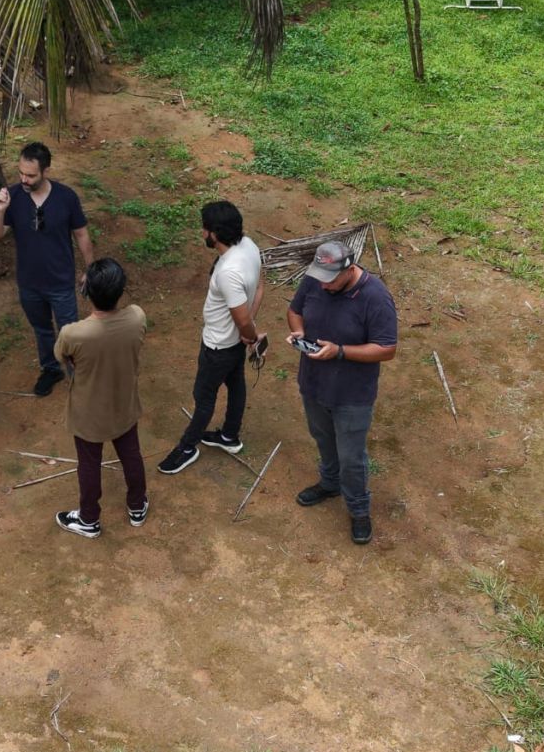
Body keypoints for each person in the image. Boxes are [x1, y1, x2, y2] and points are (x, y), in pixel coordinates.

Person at [287, 240, 398, 545]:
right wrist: (298, 332)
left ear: (349, 270)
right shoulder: (316, 278)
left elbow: (387, 348)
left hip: (351, 395)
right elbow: (295, 311)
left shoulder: (375, 297)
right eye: (320, 278)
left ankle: (359, 510)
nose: (322, 286)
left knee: (351, 456)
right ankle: (329, 483)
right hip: (313, 383)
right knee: (322, 438)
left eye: (330, 280)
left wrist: (339, 352)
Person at [159, 200, 264, 474]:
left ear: (214, 234)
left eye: (204, 229)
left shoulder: (228, 271)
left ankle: (187, 447)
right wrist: (248, 333)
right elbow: (260, 285)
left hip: (218, 347)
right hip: (233, 345)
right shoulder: (249, 246)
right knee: (236, 383)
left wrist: (249, 333)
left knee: (203, 397)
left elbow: (241, 318)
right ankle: (229, 435)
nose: (202, 234)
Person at [0, 142, 95, 396]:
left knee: (69, 331)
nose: (24, 179)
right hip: (29, 283)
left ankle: (77, 375)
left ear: (46, 170)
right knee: (42, 329)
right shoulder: (12, 197)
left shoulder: (66, 197)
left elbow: (81, 234)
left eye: (31, 175)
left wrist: (90, 268)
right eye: (21, 173)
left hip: (61, 281)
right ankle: (50, 369)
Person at [51, 258, 148, 539]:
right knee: (131, 455)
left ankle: (89, 519)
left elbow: (62, 355)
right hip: (124, 403)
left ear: (87, 293)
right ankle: (137, 505)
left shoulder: (74, 333)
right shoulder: (137, 317)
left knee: (89, 463)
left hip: (88, 412)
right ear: (120, 291)